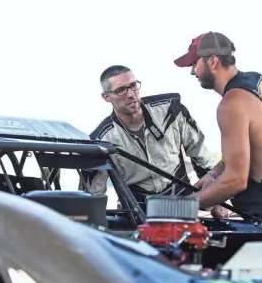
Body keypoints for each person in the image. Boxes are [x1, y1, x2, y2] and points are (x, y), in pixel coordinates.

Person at [173, 31, 262, 221]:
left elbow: (235, 181)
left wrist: (179, 207)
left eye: (194, 64)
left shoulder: (231, 104)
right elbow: (254, 146)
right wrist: (214, 174)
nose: (192, 72)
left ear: (212, 61)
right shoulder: (257, 82)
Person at [82, 65, 214, 211]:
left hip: (182, 201)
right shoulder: (101, 139)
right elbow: (91, 196)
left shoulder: (171, 110)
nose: (131, 94)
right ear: (106, 97)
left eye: (133, 86)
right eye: (120, 90)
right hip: (137, 211)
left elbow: (201, 155)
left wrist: (216, 201)